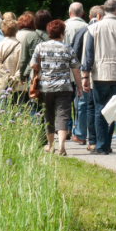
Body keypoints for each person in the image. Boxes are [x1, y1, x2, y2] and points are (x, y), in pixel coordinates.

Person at [83, 0, 116, 155]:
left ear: (104, 11)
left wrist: (85, 75)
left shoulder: (93, 29)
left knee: (100, 109)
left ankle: (101, 145)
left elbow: (88, 55)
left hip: (100, 74)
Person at [31, 19, 83, 155]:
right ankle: (62, 146)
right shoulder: (67, 48)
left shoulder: (40, 47)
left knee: (48, 115)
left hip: (45, 87)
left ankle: (50, 145)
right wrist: (80, 87)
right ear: (62, 33)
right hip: (64, 87)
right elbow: (76, 70)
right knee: (63, 115)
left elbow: (33, 65)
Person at [70, 5, 101, 144]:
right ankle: (100, 136)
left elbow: (74, 54)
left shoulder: (82, 31)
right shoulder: (105, 30)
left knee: (83, 104)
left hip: (85, 74)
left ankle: (81, 135)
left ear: (89, 16)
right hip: (103, 74)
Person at [0, 18, 27, 102]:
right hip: (18, 85)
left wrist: (8, 77)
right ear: (16, 31)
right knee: (18, 110)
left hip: (2, 83)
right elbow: (23, 65)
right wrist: (15, 77)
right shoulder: (21, 46)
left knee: (2, 110)